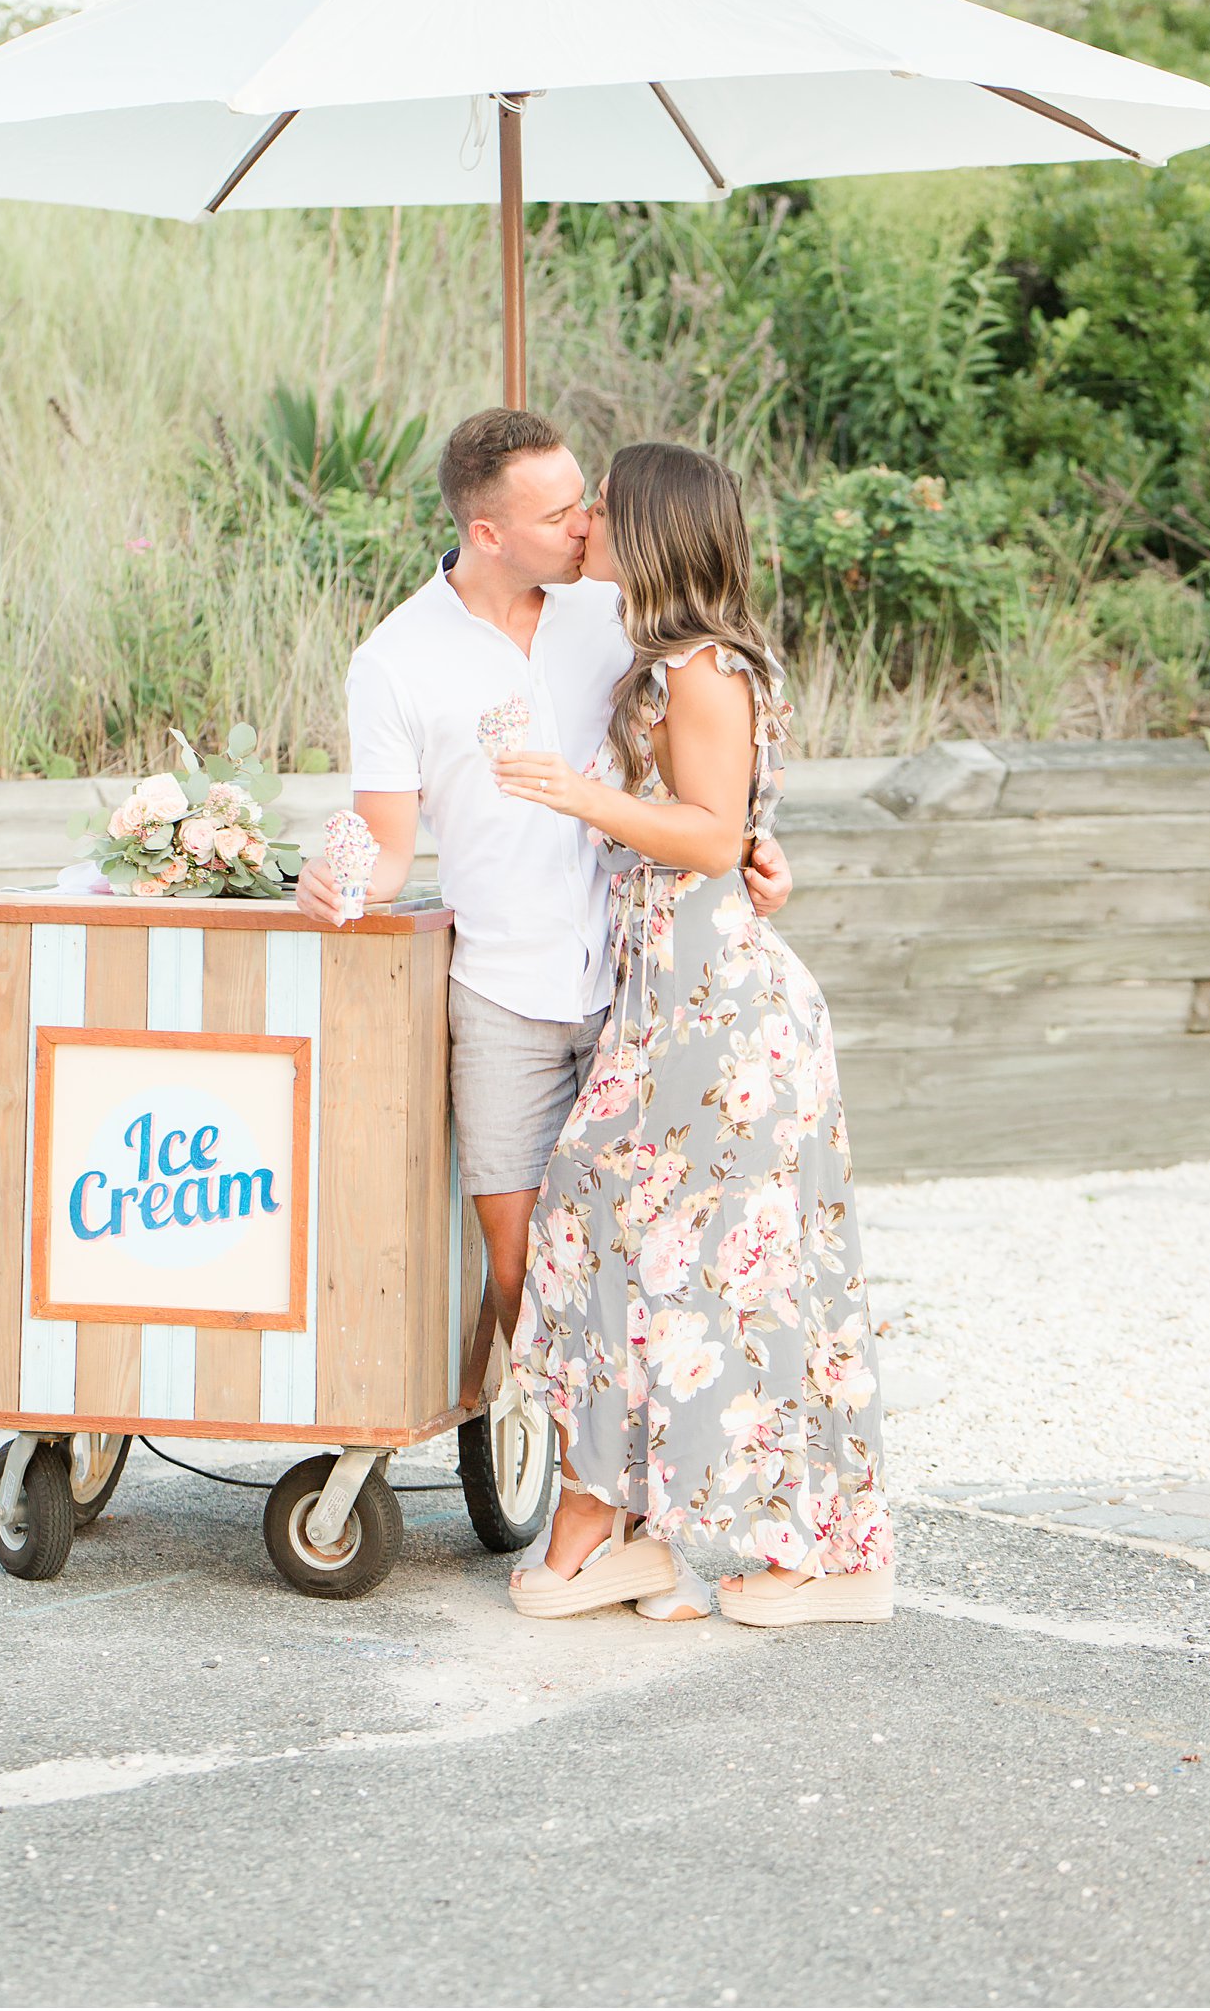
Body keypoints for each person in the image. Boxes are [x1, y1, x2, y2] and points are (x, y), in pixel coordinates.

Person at [294, 412, 793, 1605]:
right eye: (561, 511)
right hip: (505, 995)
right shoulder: (396, 661)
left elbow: (699, 776)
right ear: (487, 531)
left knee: (645, 1263)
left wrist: (757, 845)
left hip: (636, 987)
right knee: (526, 1273)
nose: (586, 522)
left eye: (590, 501)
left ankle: (608, 1520)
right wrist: (329, 872)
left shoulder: (613, 614)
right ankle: (594, 1503)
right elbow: (387, 834)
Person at [496, 442, 894, 1628]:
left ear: (656, 530)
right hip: (674, 999)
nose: (590, 524)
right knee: (637, 1248)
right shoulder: (663, 658)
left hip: (721, 1017)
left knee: (719, 1264)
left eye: (607, 510)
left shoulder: (703, 668)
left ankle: (824, 1554)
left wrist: (579, 797)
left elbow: (716, 836)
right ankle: (632, 1528)